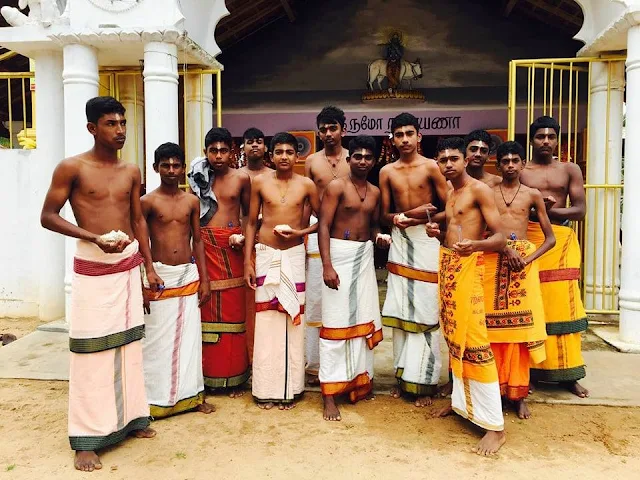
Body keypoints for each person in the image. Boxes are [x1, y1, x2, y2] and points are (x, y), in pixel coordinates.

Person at [40, 96, 159, 472]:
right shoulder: (72, 167)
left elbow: (137, 220)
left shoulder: (131, 170)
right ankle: (86, 438)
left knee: (129, 346)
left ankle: (133, 418)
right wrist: (93, 238)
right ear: (92, 128)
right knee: (90, 351)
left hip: (127, 266)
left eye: (123, 123)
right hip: (93, 267)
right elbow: (48, 216)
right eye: (111, 123)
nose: (120, 130)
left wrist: (149, 268)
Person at [426, 136, 506, 455]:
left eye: (453, 159)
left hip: (470, 267)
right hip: (449, 265)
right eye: (443, 160)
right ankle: (460, 402)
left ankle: (495, 427)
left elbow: (500, 238)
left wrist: (476, 245)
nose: (448, 164)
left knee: (474, 340)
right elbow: (453, 231)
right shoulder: (450, 191)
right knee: (453, 336)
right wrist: (437, 234)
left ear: (465, 160)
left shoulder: (479, 190)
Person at [244, 132, 320, 410]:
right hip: (266, 254)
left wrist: (299, 233)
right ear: (271, 155)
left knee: (292, 319)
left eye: (289, 152)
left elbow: (323, 220)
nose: (284, 156)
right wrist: (247, 261)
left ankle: (291, 389)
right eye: (279, 152)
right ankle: (265, 389)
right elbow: (251, 223)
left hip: (294, 255)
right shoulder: (260, 183)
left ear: (297, 156)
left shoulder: (307, 184)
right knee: (266, 321)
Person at [378, 112, 449, 407]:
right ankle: (403, 376)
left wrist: (421, 217)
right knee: (401, 308)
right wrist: (401, 217)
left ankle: (425, 380)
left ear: (419, 136)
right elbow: (383, 214)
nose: (405, 139)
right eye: (399, 135)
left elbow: (449, 208)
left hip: (426, 240)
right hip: (400, 240)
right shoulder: (387, 171)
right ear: (392, 139)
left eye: (409, 133)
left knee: (426, 306)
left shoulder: (431, 166)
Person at [140, 142, 215, 418]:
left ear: (183, 168)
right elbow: (141, 242)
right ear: (155, 168)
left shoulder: (191, 202)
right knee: (156, 340)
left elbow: (198, 241)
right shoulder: (147, 202)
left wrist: (205, 279)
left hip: (187, 275)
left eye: (176, 165)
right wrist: (147, 271)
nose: (171, 170)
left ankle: (192, 396)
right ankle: (153, 400)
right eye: (165, 166)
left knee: (190, 340)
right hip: (160, 277)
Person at [318, 135, 388, 421]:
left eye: (368, 157)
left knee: (361, 320)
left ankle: (358, 381)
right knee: (335, 324)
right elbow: (323, 226)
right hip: (338, 256)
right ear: (349, 160)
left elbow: (373, 226)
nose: (362, 161)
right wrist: (327, 265)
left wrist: (379, 237)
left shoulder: (375, 192)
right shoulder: (336, 187)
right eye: (357, 156)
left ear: (374, 161)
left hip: (363, 258)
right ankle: (328, 393)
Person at [483, 141, 555, 419]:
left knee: (520, 331)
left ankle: (518, 394)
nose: (511, 165)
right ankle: (493, 391)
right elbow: (483, 229)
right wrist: (502, 248)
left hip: (522, 266)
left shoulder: (533, 195)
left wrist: (527, 259)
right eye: (505, 161)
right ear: (498, 165)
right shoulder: (487, 192)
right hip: (492, 260)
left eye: (515, 160)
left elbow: (549, 239)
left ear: (523, 164)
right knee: (491, 330)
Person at [520, 116, 589, 398]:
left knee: (564, 307)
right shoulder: (521, 171)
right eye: (540, 136)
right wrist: (537, 211)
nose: (546, 141)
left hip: (561, 241)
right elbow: (513, 208)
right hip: (531, 241)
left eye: (551, 136)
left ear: (557, 140)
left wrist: (545, 211)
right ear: (532, 140)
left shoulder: (569, 169)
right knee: (531, 305)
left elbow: (580, 210)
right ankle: (529, 372)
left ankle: (569, 373)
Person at [187, 127, 251, 397]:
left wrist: (244, 239)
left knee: (235, 311)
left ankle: (235, 377)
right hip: (206, 248)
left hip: (233, 249)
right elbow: (192, 215)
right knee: (205, 307)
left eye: (224, 150)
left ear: (232, 151)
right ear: (206, 152)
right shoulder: (199, 178)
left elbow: (248, 216)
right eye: (213, 151)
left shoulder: (242, 178)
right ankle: (208, 376)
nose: (218, 156)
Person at [304, 106, 350, 385]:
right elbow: (306, 199)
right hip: (314, 232)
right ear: (318, 132)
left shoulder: (354, 158)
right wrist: (299, 232)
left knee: (343, 298)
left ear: (343, 129)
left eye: (333, 128)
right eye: (324, 129)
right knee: (315, 300)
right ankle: (315, 366)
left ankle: (343, 365)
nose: (328, 133)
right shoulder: (311, 161)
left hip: (346, 235)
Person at [239, 127, 273, 365]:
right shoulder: (237, 176)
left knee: (269, 301)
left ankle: (269, 357)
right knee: (248, 303)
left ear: (265, 147)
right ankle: (249, 358)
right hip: (243, 242)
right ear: (243, 146)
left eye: (259, 141)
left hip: (271, 243)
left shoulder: (275, 175)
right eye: (250, 141)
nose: (254, 145)